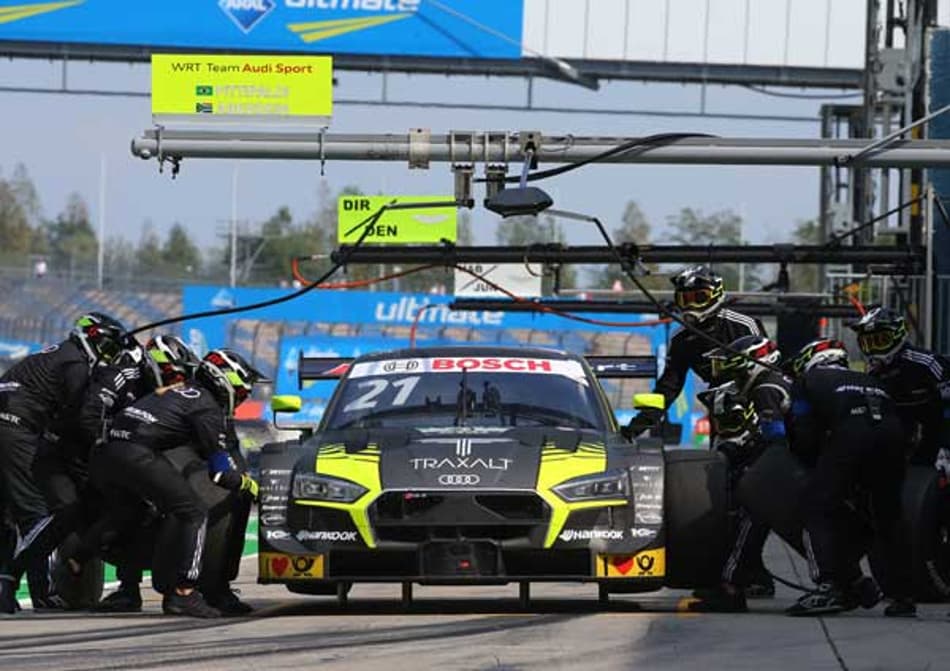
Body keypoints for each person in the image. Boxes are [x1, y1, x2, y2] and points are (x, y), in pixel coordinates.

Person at [75, 348, 262, 618]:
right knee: (193, 512)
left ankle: (79, 559)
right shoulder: (206, 407)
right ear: (225, 382)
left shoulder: (171, 392)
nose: (243, 400)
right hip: (135, 454)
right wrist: (250, 486)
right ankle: (184, 593)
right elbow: (220, 474)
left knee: (135, 511)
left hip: (104, 454)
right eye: (243, 393)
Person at [0, 312, 128, 614]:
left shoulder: (54, 355)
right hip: (15, 430)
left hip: (10, 426)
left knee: (5, 517)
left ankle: (7, 588)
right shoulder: (76, 364)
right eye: (108, 348)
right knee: (37, 514)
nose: (108, 356)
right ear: (94, 338)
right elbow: (82, 416)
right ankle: (39, 592)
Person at [784, 338, 915, 617]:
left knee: (816, 507)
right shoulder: (872, 380)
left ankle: (830, 585)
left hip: (851, 435)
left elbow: (804, 434)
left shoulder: (807, 380)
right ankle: (902, 595)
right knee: (886, 516)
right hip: (893, 437)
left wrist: (813, 467)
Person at [93, 334, 200, 613]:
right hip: (109, 455)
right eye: (172, 374)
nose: (177, 380)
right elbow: (91, 413)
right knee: (130, 511)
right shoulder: (123, 376)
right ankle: (126, 587)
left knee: (169, 508)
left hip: (148, 456)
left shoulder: (172, 393)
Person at [623, 265, 766, 439]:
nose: (692, 305)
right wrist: (634, 430)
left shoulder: (744, 325)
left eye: (699, 298)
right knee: (723, 458)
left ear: (716, 295)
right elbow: (668, 388)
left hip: (757, 405)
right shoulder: (680, 339)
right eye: (685, 299)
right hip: (719, 409)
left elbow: (769, 370)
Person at [701, 335, 792, 599]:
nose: (729, 374)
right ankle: (758, 579)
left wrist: (744, 455)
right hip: (801, 466)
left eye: (734, 367)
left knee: (750, 515)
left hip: (793, 472)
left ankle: (731, 582)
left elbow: (775, 439)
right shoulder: (776, 381)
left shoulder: (766, 389)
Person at [688, 384, 768, 612]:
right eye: (721, 422)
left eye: (733, 421)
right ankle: (729, 582)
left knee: (745, 526)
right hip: (741, 499)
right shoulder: (722, 443)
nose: (727, 427)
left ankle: (731, 589)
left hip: (762, 503)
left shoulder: (757, 441)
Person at [848, 306, 950, 469]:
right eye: (868, 343)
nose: (874, 349)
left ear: (898, 335)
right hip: (903, 431)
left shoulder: (928, 363)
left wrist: (946, 446)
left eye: (881, 341)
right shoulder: (874, 373)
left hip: (938, 425)